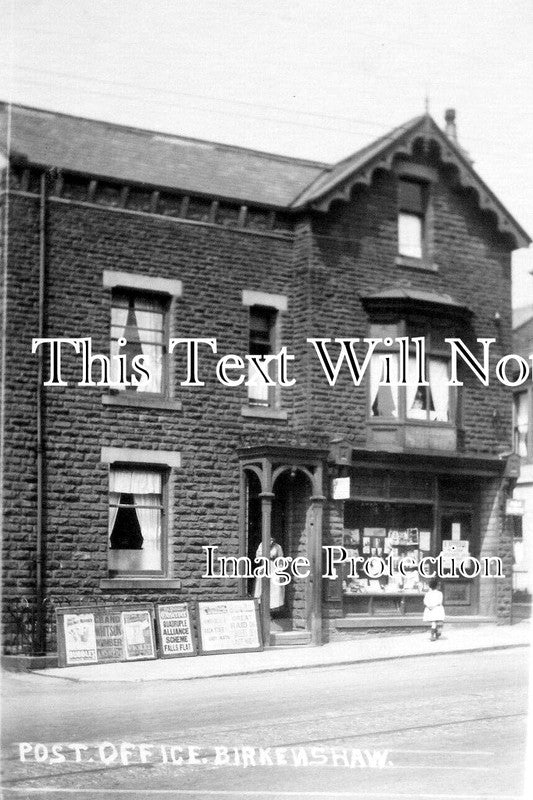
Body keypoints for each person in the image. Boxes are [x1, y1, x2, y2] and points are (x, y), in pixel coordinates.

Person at [254, 538, 285, 615]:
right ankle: (262, 609)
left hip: (274, 568)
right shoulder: (262, 545)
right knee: (262, 587)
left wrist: (280, 571)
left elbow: (281, 559)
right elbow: (258, 556)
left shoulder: (278, 547)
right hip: (264, 567)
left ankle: (272, 611)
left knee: (274, 588)